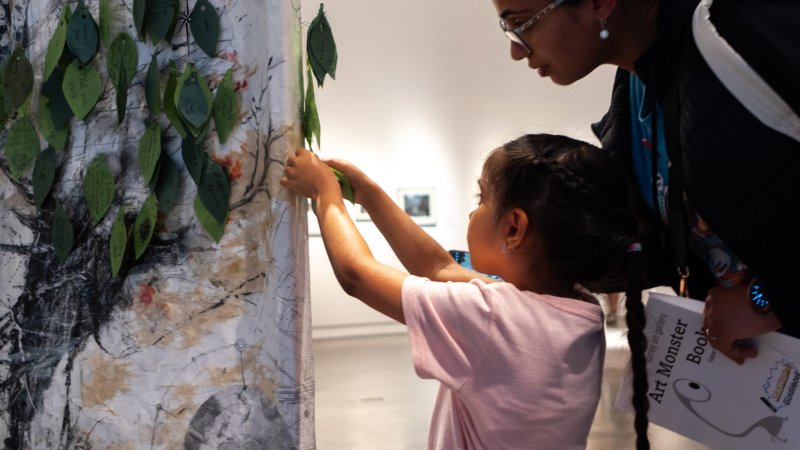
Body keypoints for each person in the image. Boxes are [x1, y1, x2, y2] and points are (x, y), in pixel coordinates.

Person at [281, 134, 651, 449]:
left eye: (481, 200)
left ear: (513, 228)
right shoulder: (577, 311)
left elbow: (357, 275)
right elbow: (439, 267)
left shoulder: (494, 316)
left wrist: (323, 193)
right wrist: (369, 195)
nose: (473, 212)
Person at [489, 0, 800, 369]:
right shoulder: (637, 91)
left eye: (523, 23)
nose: (515, 49)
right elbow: (655, 252)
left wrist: (766, 299)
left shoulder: (737, 25)